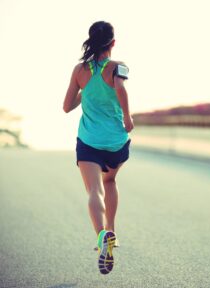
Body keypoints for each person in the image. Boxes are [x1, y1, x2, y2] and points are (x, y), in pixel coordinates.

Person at [63, 21, 134, 275]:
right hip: (115, 141)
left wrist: (86, 89)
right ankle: (111, 230)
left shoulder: (79, 70)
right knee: (110, 182)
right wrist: (127, 117)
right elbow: (121, 88)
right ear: (112, 43)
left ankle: (102, 235)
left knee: (94, 190)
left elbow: (67, 106)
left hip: (89, 141)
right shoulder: (118, 67)